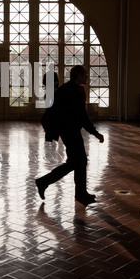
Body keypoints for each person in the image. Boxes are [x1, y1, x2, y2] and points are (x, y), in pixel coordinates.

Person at [36, 65, 104, 206]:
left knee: (77, 162)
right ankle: (77, 193)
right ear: (78, 75)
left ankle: (78, 193)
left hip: (68, 130)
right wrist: (95, 133)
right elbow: (82, 116)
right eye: (85, 74)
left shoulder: (70, 88)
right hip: (69, 131)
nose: (87, 76)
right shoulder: (73, 90)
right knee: (78, 161)